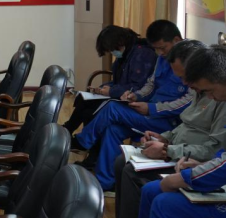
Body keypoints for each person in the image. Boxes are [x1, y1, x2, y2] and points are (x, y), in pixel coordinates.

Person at [102, 44, 226, 218]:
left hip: (190, 158)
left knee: (161, 201)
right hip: (190, 158)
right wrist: (165, 139)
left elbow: (216, 153)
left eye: (185, 77)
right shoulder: (204, 92)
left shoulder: (220, 100)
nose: (184, 82)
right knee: (125, 164)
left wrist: (171, 155)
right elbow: (188, 125)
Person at [74, 35, 194, 191]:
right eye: (156, 48)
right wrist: (136, 96)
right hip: (150, 113)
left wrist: (151, 108)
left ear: (176, 40)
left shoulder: (191, 67)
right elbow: (150, 85)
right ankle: (105, 183)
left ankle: (81, 142)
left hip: (167, 121)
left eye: (162, 48)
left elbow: (185, 104)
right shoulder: (162, 59)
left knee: (112, 108)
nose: (159, 52)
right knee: (112, 130)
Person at [63, 25, 156, 133]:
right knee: (83, 99)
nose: (112, 52)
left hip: (133, 98)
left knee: (89, 111)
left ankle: (81, 138)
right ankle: (68, 130)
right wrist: (102, 89)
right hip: (120, 94)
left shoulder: (143, 55)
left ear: (120, 42)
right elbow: (120, 81)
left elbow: (139, 86)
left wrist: (111, 91)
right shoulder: (126, 53)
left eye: (112, 49)